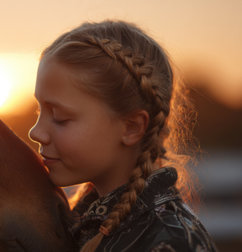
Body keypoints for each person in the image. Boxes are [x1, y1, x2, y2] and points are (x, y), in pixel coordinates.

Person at [29, 20, 217, 252]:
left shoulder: (170, 243)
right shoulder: (79, 222)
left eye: (59, 117)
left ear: (132, 128)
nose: (35, 132)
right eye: (40, 110)